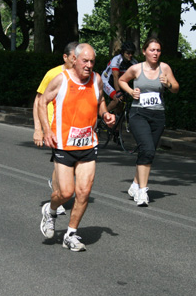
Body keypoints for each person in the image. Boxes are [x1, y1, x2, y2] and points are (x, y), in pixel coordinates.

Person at [38, 43, 115, 251]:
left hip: (88, 144)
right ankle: (50, 210)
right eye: (85, 61)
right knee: (65, 193)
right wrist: (46, 130)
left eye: (92, 62)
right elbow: (42, 101)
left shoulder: (96, 80)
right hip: (63, 144)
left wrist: (105, 114)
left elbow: (100, 101)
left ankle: (71, 234)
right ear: (75, 60)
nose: (89, 65)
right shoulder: (62, 79)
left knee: (84, 191)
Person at [118, 37, 179, 206]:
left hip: (158, 115)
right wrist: (131, 92)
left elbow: (176, 88)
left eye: (158, 50)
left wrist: (167, 84)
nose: (155, 53)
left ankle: (135, 184)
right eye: (152, 50)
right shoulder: (136, 68)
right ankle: (143, 192)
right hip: (139, 114)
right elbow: (121, 80)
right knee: (147, 149)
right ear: (144, 51)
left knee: (148, 151)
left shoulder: (164, 68)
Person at [32, 42, 78, 216]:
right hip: (55, 127)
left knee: (68, 165)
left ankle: (57, 186)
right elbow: (38, 100)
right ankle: (56, 199)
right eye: (73, 57)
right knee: (63, 163)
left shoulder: (82, 75)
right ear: (65, 57)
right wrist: (39, 129)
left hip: (74, 128)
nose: (76, 61)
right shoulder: (53, 74)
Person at [101, 41, 138, 111]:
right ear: (123, 52)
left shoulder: (134, 62)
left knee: (122, 103)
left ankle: (117, 119)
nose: (130, 55)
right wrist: (118, 92)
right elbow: (115, 77)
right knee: (117, 99)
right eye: (128, 53)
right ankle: (103, 116)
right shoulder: (116, 60)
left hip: (119, 82)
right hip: (107, 81)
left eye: (132, 53)